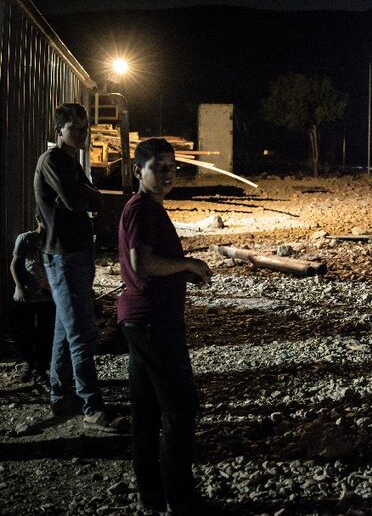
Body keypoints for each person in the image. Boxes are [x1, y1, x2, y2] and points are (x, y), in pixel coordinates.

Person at [117, 138, 213, 515]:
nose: (169, 172)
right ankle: (181, 498)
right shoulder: (143, 209)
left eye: (172, 165)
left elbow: (152, 264)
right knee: (181, 408)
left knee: (146, 411)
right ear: (138, 171)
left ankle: (151, 494)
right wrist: (188, 265)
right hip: (154, 321)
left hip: (141, 320)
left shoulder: (147, 208)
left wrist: (181, 272)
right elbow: (143, 264)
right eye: (159, 166)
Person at [33, 102, 122, 431]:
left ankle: (61, 397)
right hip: (64, 256)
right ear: (59, 131)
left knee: (64, 329)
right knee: (82, 333)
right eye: (76, 129)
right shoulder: (54, 161)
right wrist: (83, 197)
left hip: (77, 254)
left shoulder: (71, 162)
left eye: (85, 129)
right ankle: (91, 406)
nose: (83, 134)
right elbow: (76, 201)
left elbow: (94, 200)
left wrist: (84, 196)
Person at [9, 214, 55, 385]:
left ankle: (41, 368)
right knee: (25, 332)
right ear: (37, 218)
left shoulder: (53, 239)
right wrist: (20, 287)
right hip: (27, 295)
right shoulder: (26, 238)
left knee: (45, 333)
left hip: (46, 296)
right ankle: (28, 364)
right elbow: (15, 264)